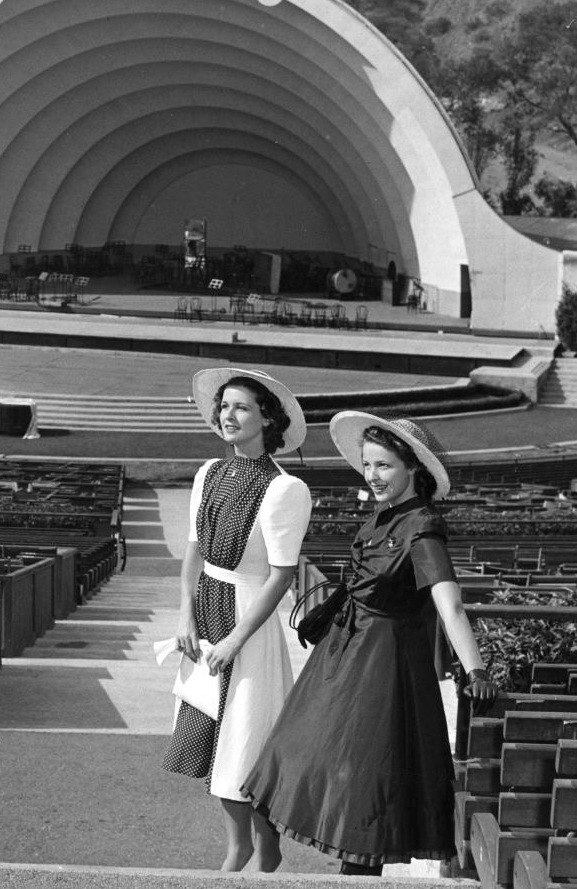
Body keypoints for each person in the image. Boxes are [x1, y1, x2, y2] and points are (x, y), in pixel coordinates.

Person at [242, 410, 497, 876]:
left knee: (365, 783)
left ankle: (357, 879)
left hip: (382, 668)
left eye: (384, 466)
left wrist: (475, 669)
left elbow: (450, 606)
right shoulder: (383, 516)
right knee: (285, 756)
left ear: (413, 469)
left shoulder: (422, 528)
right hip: (340, 657)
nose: (373, 476)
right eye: (367, 465)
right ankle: (276, 852)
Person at [162, 367, 312, 872]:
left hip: (246, 619)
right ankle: (242, 841)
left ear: (267, 417)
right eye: (224, 406)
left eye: (242, 406)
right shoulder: (209, 472)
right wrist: (185, 614)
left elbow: (280, 577)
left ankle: (252, 846)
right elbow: (194, 549)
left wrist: (234, 640)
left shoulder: (285, 489)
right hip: (205, 610)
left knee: (246, 737)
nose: (229, 415)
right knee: (209, 733)